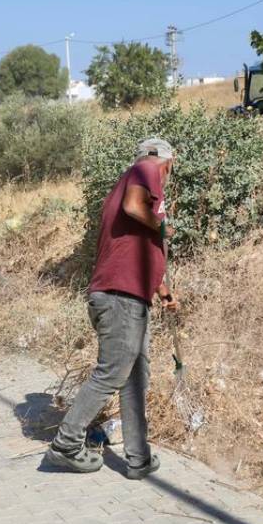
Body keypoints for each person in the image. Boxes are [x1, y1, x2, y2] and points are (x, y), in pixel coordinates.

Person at [45, 138, 179, 479]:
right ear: (167, 162)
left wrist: (163, 290)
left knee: (134, 378)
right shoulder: (145, 167)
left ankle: (138, 458)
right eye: (170, 170)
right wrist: (162, 225)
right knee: (112, 373)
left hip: (131, 295)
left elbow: (135, 249)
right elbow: (135, 208)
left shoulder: (133, 183)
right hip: (120, 297)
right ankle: (66, 443)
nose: (167, 177)